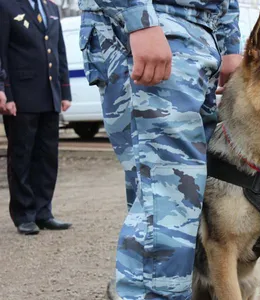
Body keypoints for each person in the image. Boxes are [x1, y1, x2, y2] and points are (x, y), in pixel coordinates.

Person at [78, 0, 242, 298]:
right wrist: (137, 18)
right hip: (156, 25)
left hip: (202, 36)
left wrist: (230, 41)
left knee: (182, 196)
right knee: (168, 200)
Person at [0, 0, 73, 235]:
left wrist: (64, 90)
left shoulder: (51, 8)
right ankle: (24, 215)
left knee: (47, 157)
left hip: (49, 94)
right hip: (21, 97)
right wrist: (6, 92)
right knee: (22, 157)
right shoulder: (7, 6)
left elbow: (59, 50)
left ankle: (43, 212)